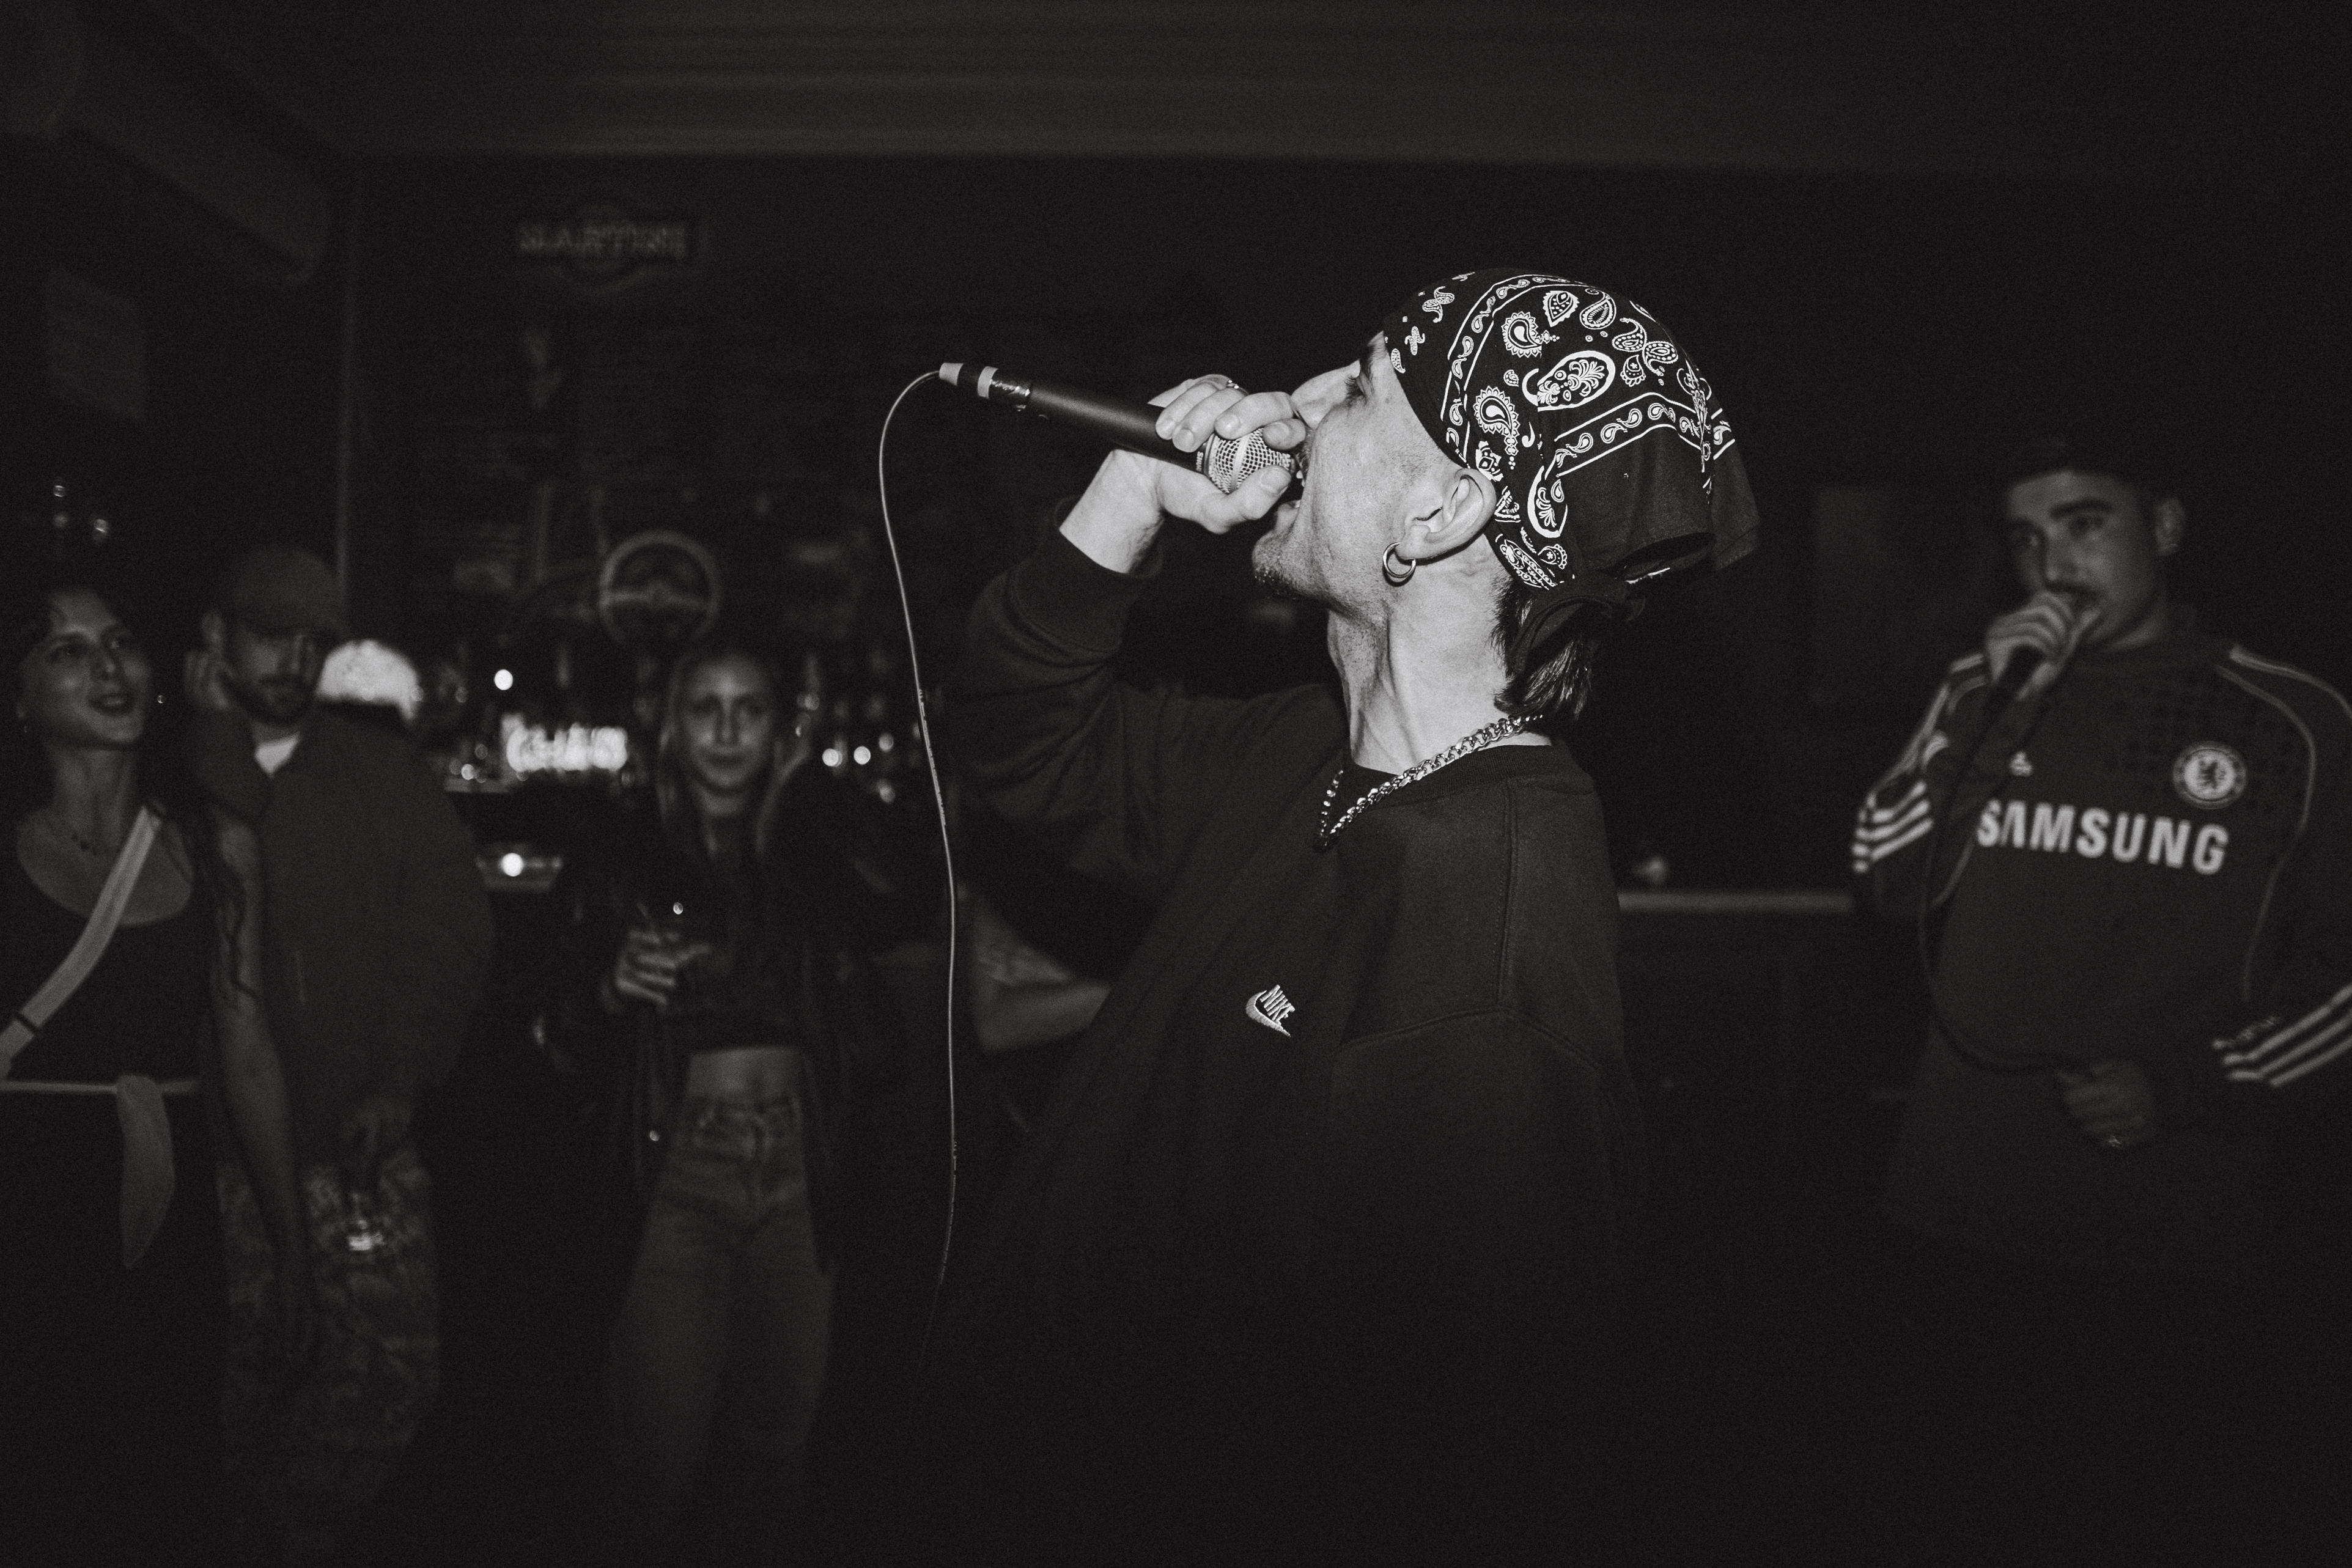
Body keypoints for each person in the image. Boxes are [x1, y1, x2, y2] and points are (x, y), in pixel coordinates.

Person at [925, 269, 1758, 1561]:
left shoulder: (1487, 959)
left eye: (1362, 386)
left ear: (1442, 508)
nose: (1301, 401)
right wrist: (1126, 495)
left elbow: (1443, 1470)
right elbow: (1023, 741)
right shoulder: (1304, 751)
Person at [1849, 435, 2352, 1555]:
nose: (2054, 563)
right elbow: (1884, 873)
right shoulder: (1982, 688)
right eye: (2028, 538)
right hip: (1960, 1206)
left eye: (2085, 524)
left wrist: (2189, 1084)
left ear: (2163, 527)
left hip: (2165, 1227)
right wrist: (1994, 716)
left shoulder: (2294, 722)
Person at [550, 633, 935, 1564]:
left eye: (750, 710)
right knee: (658, 1457)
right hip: (678, 1168)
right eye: (705, 709)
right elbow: (553, 1041)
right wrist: (608, 991)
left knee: (778, 1444)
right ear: (671, 727)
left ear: (779, 730)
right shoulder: (621, 847)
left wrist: (807, 784)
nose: (726, 732)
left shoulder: (809, 844)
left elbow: (906, 896)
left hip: (803, 1169)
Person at [181, 543, 494, 1564]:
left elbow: (448, 930)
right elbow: (223, 891)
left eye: (314, 640)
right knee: (229, 1394)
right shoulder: (165, 764)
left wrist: (400, 1078)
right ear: (216, 634)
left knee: (390, 1384)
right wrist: (215, 741)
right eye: (270, 634)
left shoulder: (375, 768)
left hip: (357, 1152)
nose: (294, 658)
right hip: (215, 1162)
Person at [0, 562, 309, 1566]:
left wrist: (292, 1246)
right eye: (67, 649)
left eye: (121, 642)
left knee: (164, 1477)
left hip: (164, 1207)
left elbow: (248, 1049)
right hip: (23, 1199)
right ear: (19, 697)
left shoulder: (218, 845)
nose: (108, 667)